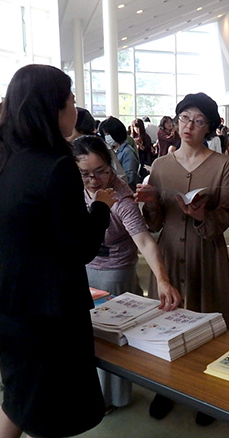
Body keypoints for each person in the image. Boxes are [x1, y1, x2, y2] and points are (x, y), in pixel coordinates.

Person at [0, 63, 117, 438]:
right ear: (50, 107)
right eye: (71, 100)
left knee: (19, 404)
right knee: (46, 413)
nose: (75, 109)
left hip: (7, 308)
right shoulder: (56, 166)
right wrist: (100, 206)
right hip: (48, 316)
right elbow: (79, 246)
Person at [136, 92, 229, 423]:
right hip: (168, 253)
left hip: (205, 252)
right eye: (183, 118)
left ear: (209, 127)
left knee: (207, 317)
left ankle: (207, 394)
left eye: (197, 121)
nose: (188, 126)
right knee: (167, 320)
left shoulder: (222, 165)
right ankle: (166, 388)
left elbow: (227, 213)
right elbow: (154, 223)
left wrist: (199, 215)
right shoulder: (161, 166)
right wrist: (151, 202)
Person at [72, 135, 181, 411]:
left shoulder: (121, 198)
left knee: (114, 339)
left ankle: (113, 398)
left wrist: (163, 280)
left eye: (101, 172)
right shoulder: (72, 189)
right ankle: (92, 392)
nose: (94, 180)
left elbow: (144, 241)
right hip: (82, 270)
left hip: (114, 273)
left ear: (111, 166)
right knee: (88, 337)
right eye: (85, 174)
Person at [99, 116, 140, 190]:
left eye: (108, 134)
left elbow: (130, 180)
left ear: (116, 133)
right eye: (104, 135)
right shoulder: (111, 150)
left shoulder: (127, 152)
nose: (106, 137)